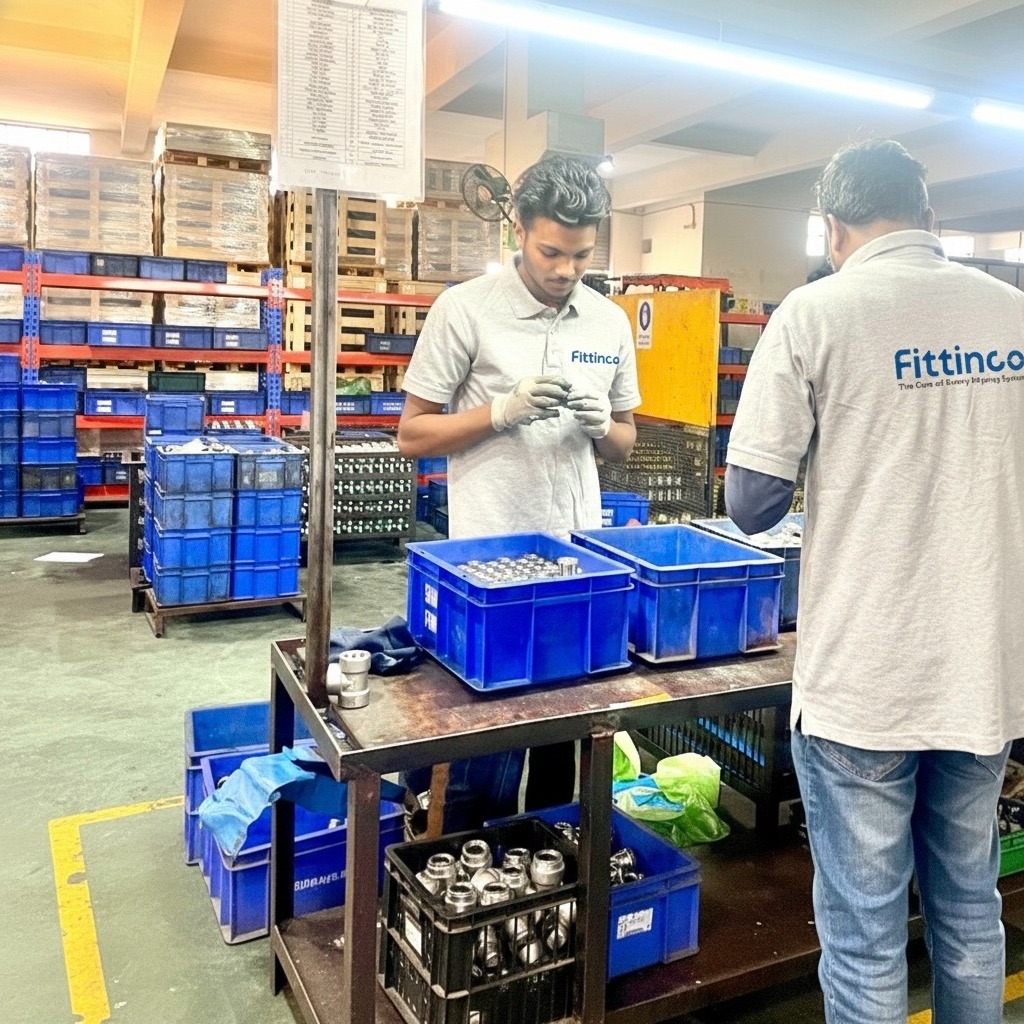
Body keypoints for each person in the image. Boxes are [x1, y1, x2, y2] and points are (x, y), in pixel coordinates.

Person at [725, 138, 1024, 1024]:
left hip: (866, 680)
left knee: (864, 933)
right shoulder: (1013, 315)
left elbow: (750, 501)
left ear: (833, 228)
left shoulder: (817, 315)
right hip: (983, 673)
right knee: (971, 908)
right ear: (930, 219)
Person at [397, 154, 641, 829]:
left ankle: (551, 872)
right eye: (550, 251)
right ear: (519, 235)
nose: (565, 270)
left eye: (582, 255)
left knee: (566, 745)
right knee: (486, 751)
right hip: (487, 572)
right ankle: (470, 883)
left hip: (577, 566)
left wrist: (601, 427)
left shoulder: (606, 322)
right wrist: (498, 413)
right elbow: (411, 435)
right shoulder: (465, 311)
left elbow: (626, 440)